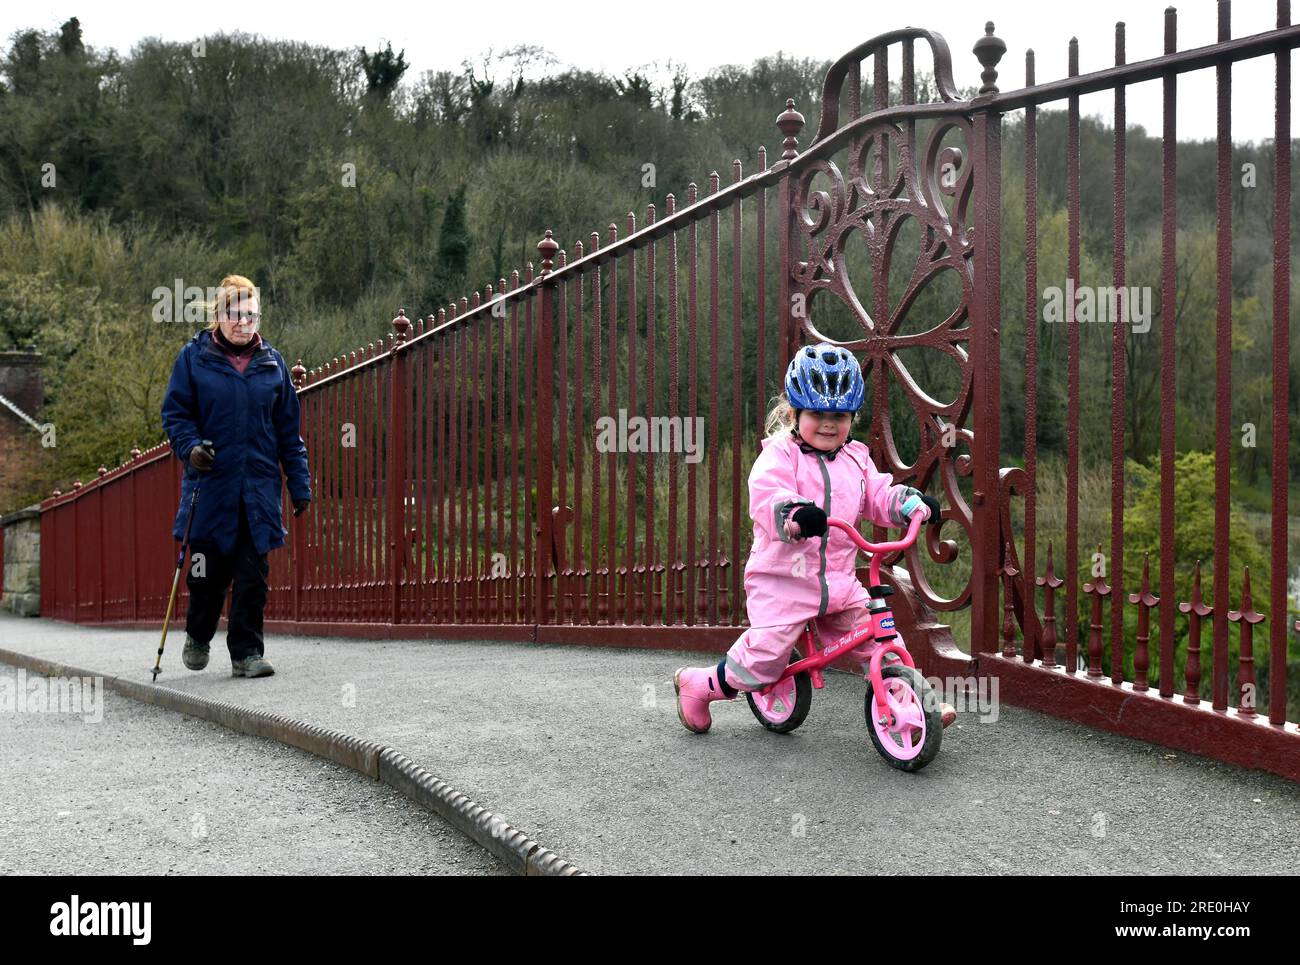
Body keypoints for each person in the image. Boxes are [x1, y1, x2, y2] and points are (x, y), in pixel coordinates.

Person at [674, 341, 955, 732]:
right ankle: (701, 685)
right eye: (817, 414)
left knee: (880, 636)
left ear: (852, 418)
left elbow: (875, 494)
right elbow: (768, 497)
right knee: (766, 658)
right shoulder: (780, 456)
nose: (828, 424)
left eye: (839, 415)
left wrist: (908, 503)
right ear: (795, 412)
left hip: (838, 583)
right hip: (783, 581)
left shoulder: (856, 457)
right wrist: (794, 515)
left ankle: (910, 702)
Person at [160, 274, 311, 678]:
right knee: (206, 575)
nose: (243, 322)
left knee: (252, 575)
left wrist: (299, 485)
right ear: (219, 316)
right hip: (209, 488)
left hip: (258, 489)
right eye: (235, 314)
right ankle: (198, 633)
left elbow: (288, 432)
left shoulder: (273, 364)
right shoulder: (194, 358)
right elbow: (175, 415)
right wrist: (190, 447)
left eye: (251, 315)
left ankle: (247, 653)